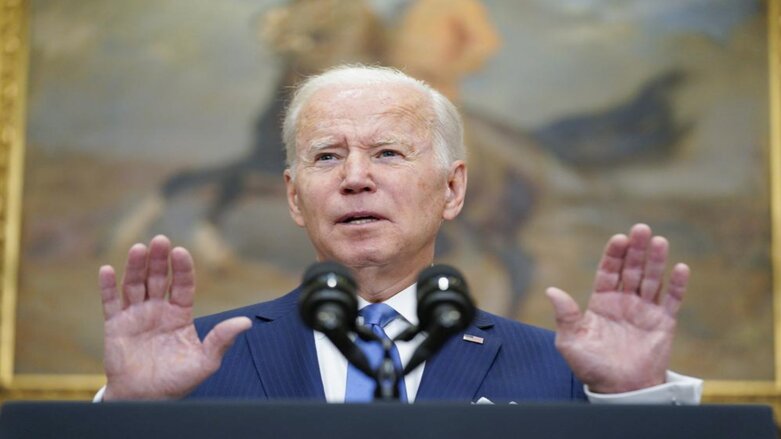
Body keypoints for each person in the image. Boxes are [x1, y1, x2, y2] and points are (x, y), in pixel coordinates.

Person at [96, 65, 701, 403]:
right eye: (327, 157)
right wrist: (124, 416)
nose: (355, 178)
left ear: (453, 189)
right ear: (293, 196)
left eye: (387, 152)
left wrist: (633, 398)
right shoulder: (197, 365)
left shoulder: (563, 374)